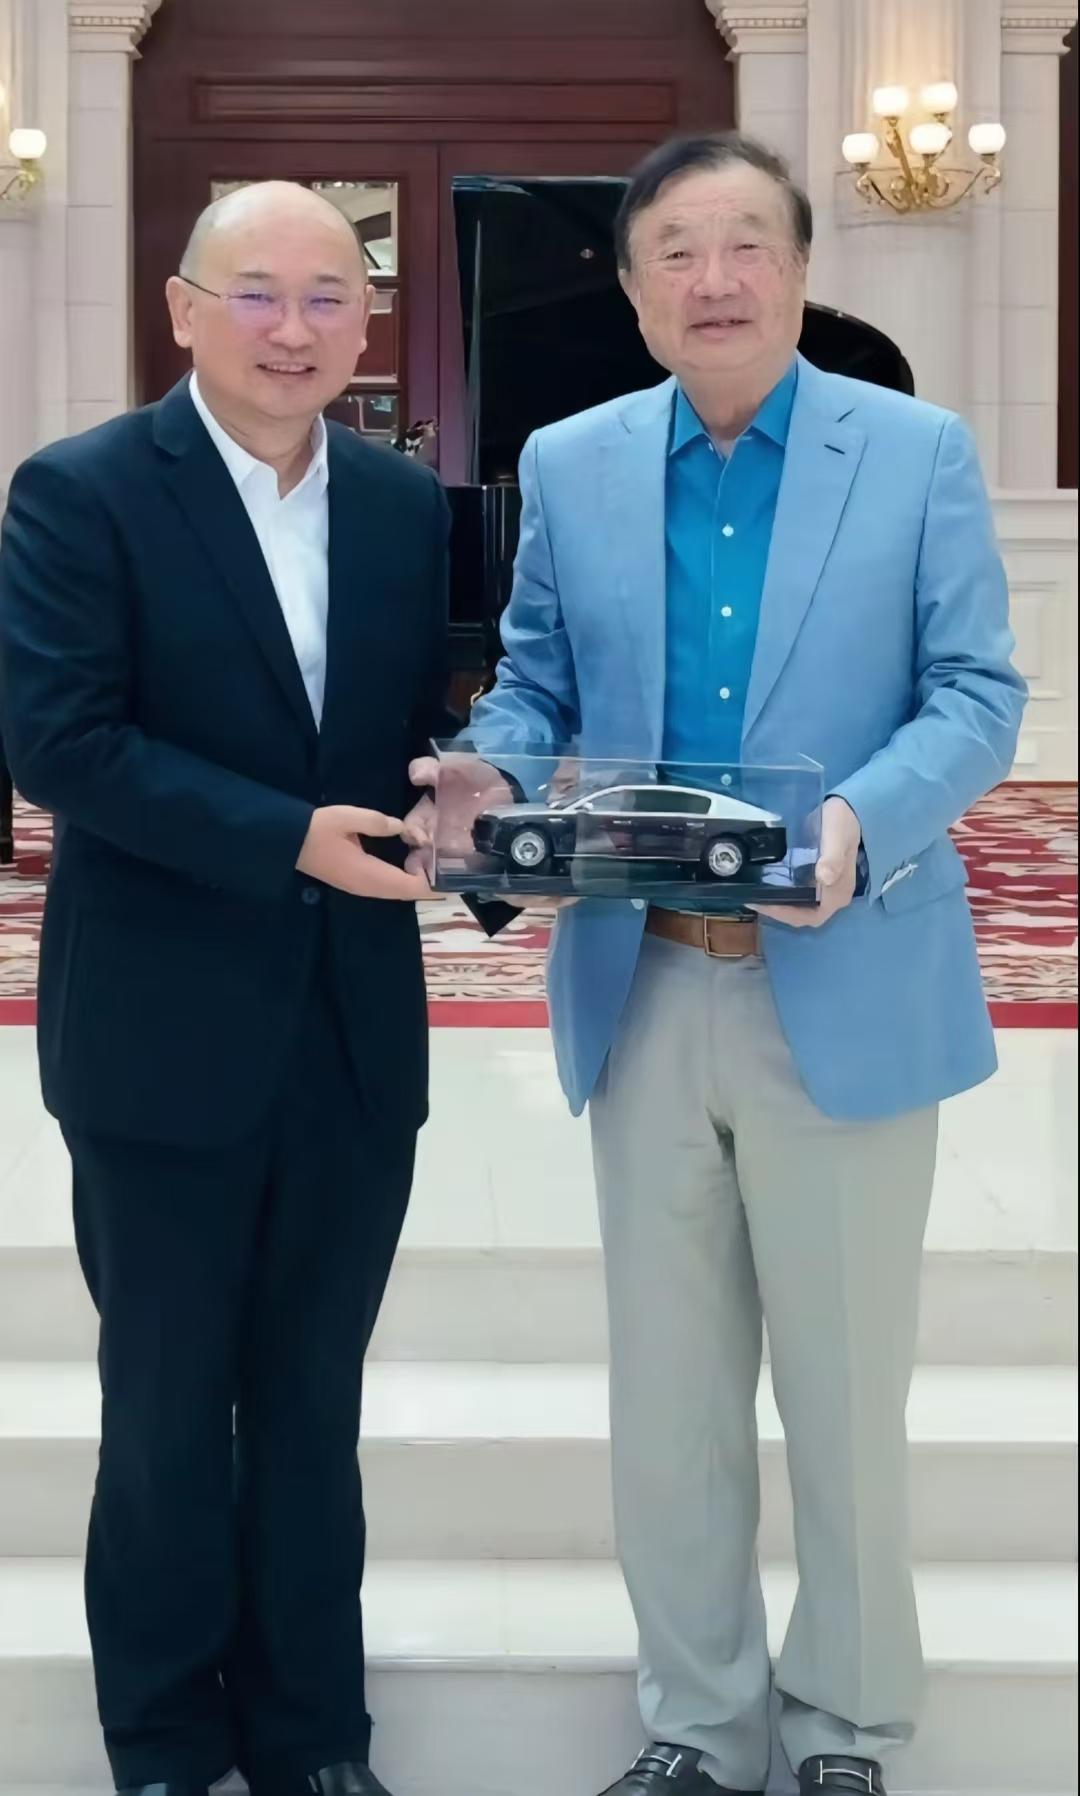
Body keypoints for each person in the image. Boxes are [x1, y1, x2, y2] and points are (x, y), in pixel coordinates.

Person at [407, 134, 1026, 1796]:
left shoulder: (916, 451)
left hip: (846, 970)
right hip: (645, 982)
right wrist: (488, 767)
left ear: (803, 268)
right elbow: (535, 682)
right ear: (631, 290)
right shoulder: (577, 461)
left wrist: (864, 824)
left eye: (748, 242)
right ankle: (695, 1723)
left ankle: (846, 1729)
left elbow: (976, 693)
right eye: (675, 249)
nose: (715, 278)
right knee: (670, 1402)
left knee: (846, 1397)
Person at [0, 180, 449, 1796]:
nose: (294, 327)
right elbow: (61, 743)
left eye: (331, 295)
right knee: (169, 1410)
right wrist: (284, 841)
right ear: (183, 310)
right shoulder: (82, 493)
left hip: (351, 1032)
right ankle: (168, 1740)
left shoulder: (403, 506)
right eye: (256, 291)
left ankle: (316, 1735)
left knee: (314, 1404)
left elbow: (420, 725)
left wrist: (464, 791)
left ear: (367, 324)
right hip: (158, 1030)